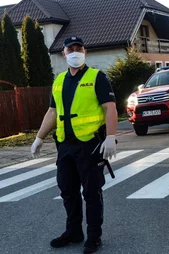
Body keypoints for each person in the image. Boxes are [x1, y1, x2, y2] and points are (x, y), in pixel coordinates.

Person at [30, 36, 118, 253]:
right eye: (71, 49)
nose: (75, 52)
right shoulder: (59, 80)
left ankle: (94, 237)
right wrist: (39, 138)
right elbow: (52, 112)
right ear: (64, 53)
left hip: (89, 145)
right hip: (65, 146)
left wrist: (110, 136)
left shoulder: (97, 77)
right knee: (67, 190)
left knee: (91, 192)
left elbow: (111, 107)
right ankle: (74, 232)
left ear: (85, 52)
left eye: (79, 48)